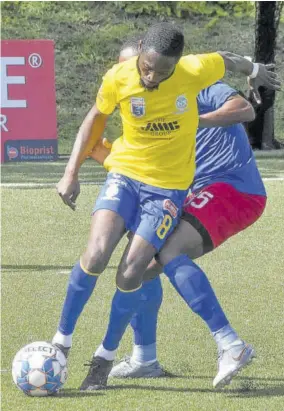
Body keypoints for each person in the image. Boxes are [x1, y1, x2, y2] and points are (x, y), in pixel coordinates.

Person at [52, 23, 280, 391]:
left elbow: (241, 105)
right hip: (177, 187)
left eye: (159, 70)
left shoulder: (193, 79)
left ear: (174, 64)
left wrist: (247, 75)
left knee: (166, 252)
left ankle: (230, 343)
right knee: (140, 266)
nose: (148, 78)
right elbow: (113, 145)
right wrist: (77, 169)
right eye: (141, 68)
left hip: (229, 188)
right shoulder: (124, 85)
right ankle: (144, 357)